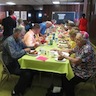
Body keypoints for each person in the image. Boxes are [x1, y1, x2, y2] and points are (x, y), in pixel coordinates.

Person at [2, 27, 34, 96]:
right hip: (10, 64)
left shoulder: (18, 39)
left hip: (17, 61)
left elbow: (25, 47)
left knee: (32, 67)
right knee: (26, 73)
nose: (22, 37)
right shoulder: (9, 41)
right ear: (16, 33)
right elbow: (14, 55)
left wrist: (33, 47)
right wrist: (25, 50)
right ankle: (16, 91)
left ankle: (25, 85)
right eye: (22, 35)